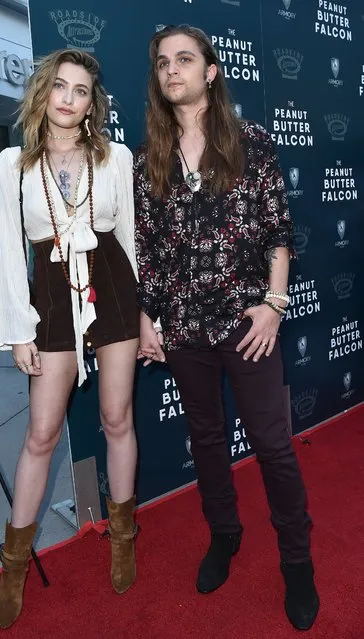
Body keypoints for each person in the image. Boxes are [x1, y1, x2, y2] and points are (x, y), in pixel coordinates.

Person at [134, 25, 319, 631]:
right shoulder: (150, 158)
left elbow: (278, 231)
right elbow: (151, 250)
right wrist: (146, 318)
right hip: (184, 328)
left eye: (184, 60)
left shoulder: (251, 142)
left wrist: (274, 303)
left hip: (248, 322)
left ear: (211, 71)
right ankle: (225, 535)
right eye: (163, 62)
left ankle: (297, 564)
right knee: (206, 441)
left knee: (271, 444)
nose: (172, 71)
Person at [0, 48, 140, 629]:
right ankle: (14, 563)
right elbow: (4, 250)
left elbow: (127, 238)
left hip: (114, 285)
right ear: (43, 92)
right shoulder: (11, 164)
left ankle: (122, 534)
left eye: (81, 90)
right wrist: (16, 329)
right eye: (60, 86)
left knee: (117, 416)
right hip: (49, 292)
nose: (70, 98)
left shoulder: (116, 158)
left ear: (91, 101)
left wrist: (145, 314)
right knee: (41, 432)